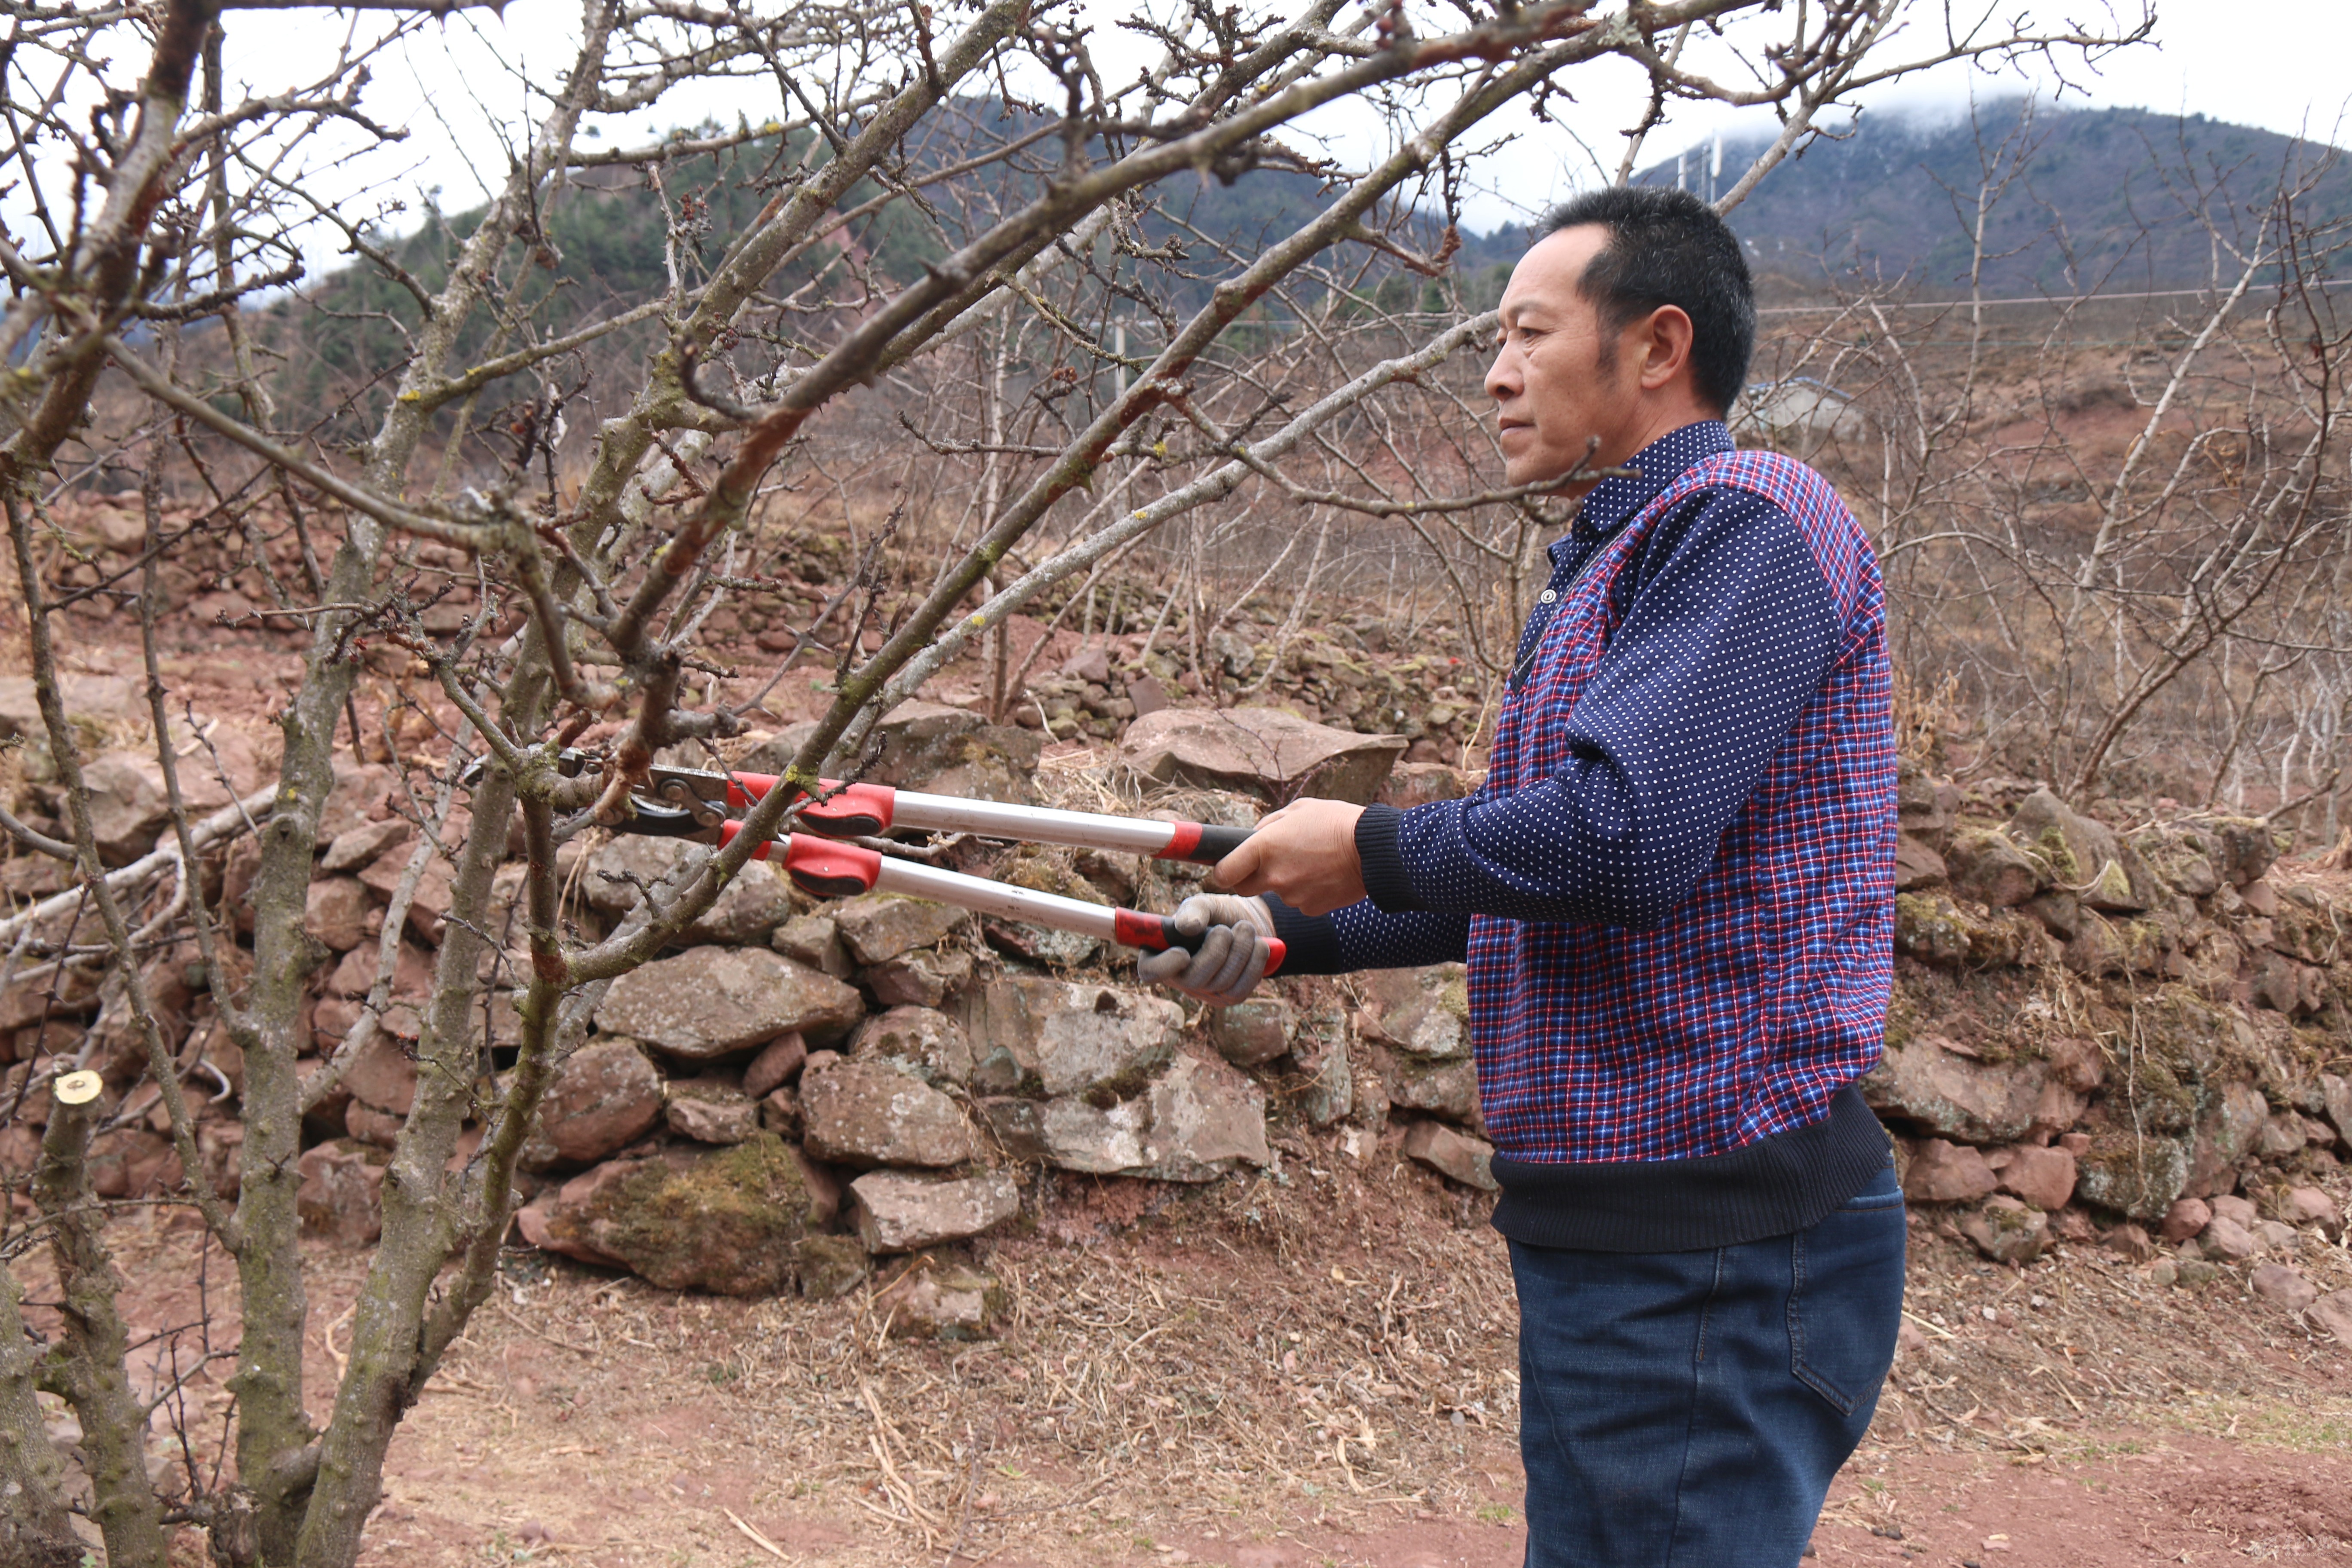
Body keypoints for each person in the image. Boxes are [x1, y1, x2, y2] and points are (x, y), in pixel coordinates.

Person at [1139, 185, 1904, 1568]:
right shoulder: (1618, 557)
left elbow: (1620, 840)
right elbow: (1535, 867)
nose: (1495, 374)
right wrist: (1285, 929)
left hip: (1712, 1246)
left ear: (1657, 345)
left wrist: (1365, 842)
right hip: (1623, 1237)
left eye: (1528, 334)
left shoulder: (1750, 520)